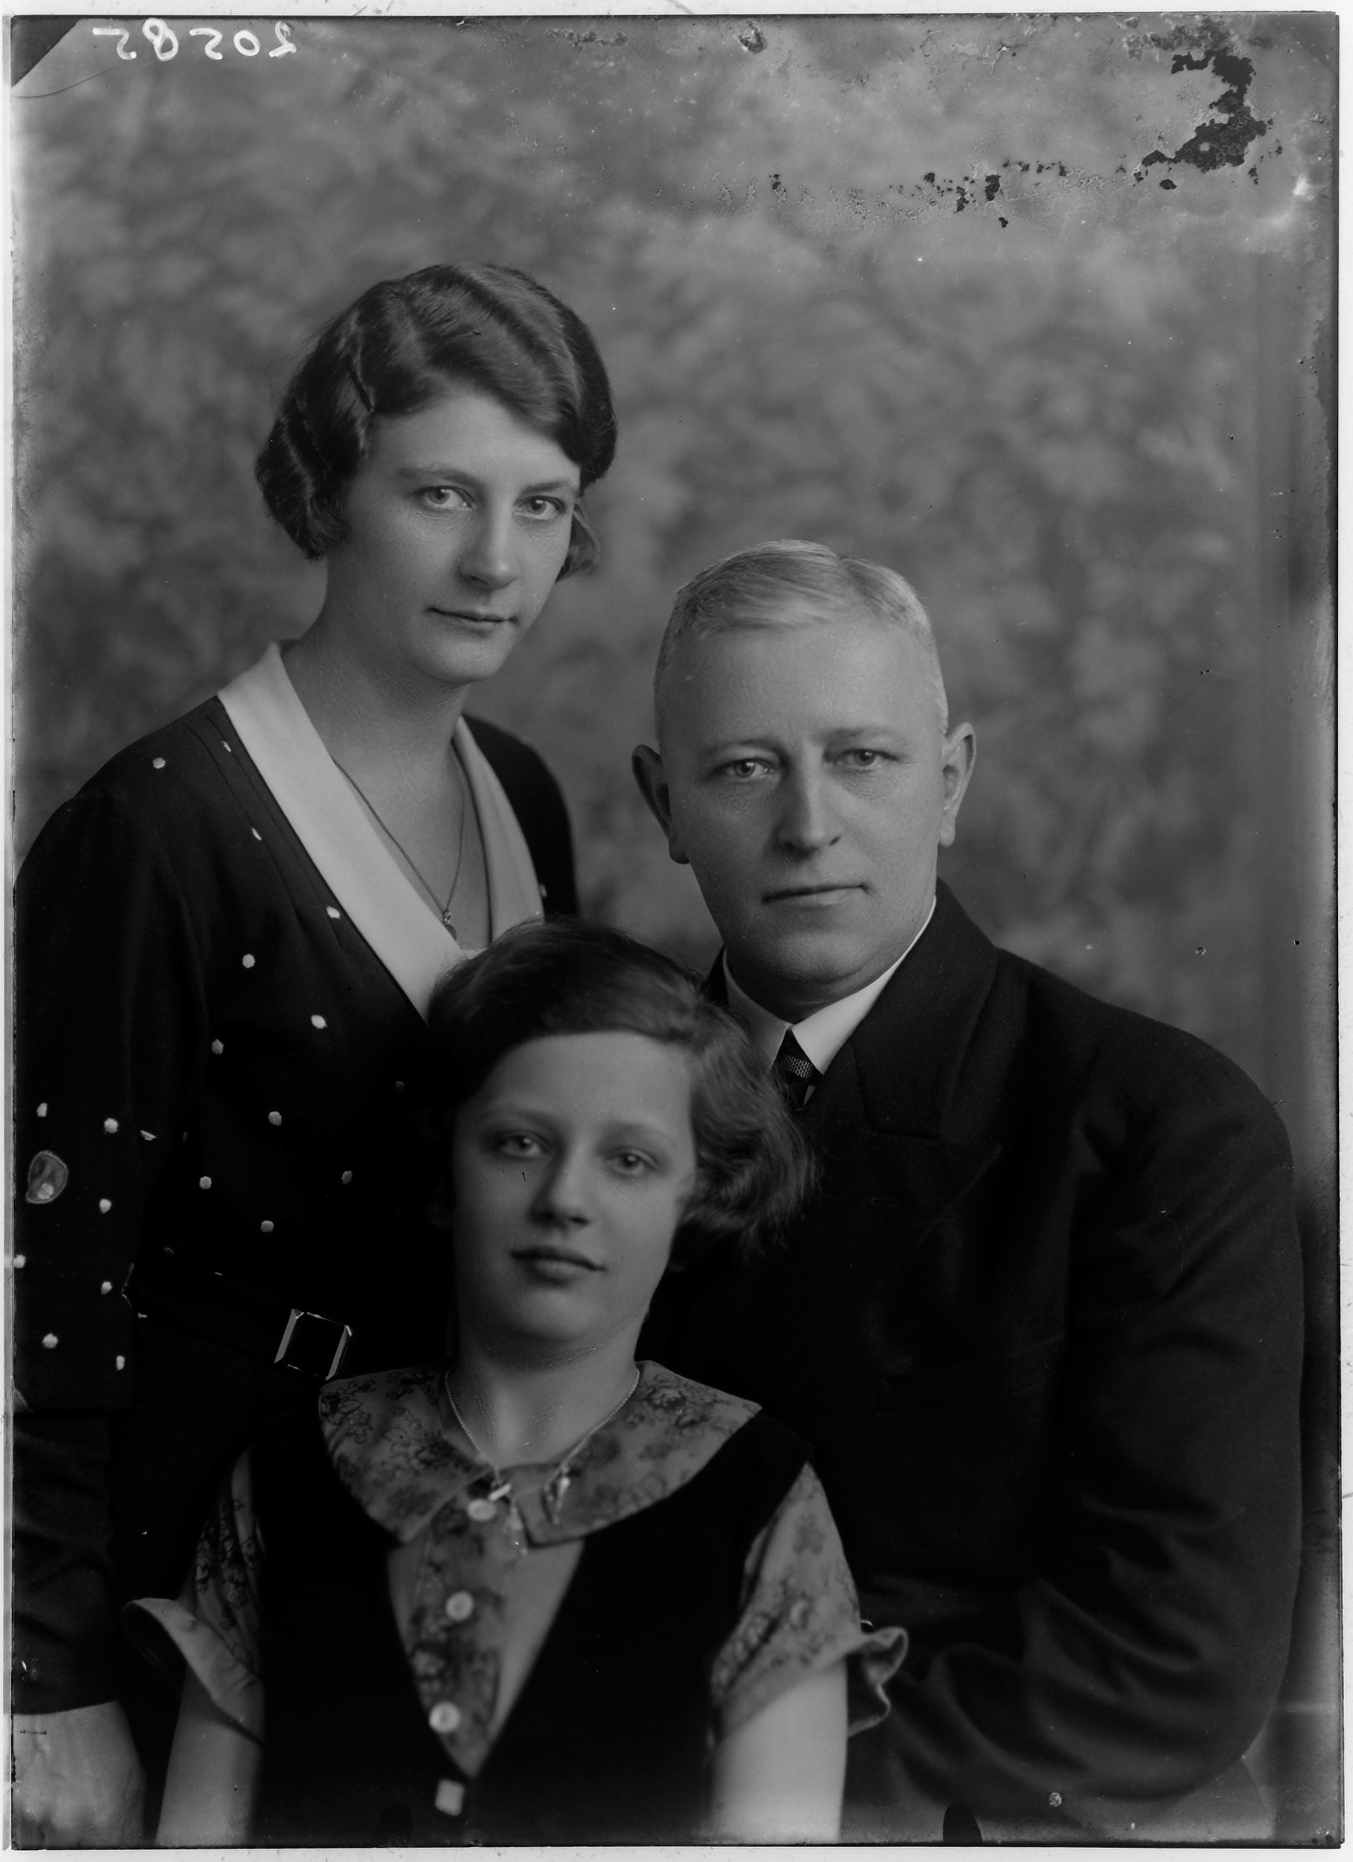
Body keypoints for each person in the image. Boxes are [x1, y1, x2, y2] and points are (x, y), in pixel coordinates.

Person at [12, 261, 617, 1845]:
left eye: (543, 506)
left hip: (433, 1514)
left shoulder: (522, 793)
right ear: (328, 489)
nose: (496, 561)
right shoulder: (157, 831)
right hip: (181, 1525)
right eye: (440, 493)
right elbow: (38, 1285)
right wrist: (42, 1676)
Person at [632, 539, 1305, 1843]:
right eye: (745, 767)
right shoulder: (576, 1109)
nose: (809, 824)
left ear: (948, 782)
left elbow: (1172, 1657)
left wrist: (760, 1801)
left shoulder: (1156, 1126)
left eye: (863, 758)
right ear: (664, 802)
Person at [126, 920, 904, 1845]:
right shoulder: (291, 1471)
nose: (564, 1199)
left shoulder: (761, 1500)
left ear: (698, 1197)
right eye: (518, 1143)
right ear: (444, 1164)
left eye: (629, 1160)